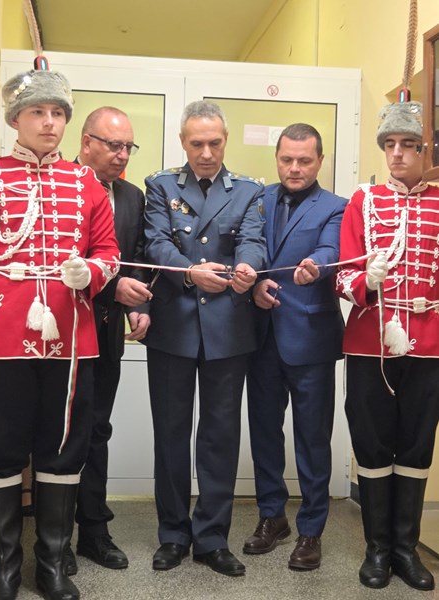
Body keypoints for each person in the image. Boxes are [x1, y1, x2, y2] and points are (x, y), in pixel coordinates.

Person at [0, 67, 120, 600]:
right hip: (0, 337)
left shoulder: (86, 183)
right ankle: (3, 568)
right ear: (15, 119)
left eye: (58, 113)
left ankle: (52, 566)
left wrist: (91, 273)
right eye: (38, 112)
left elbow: (109, 252)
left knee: (63, 449)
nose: (49, 122)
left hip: (70, 338)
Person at [143, 100, 266, 577]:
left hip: (227, 330)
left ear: (226, 141)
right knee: (170, 434)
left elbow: (253, 239)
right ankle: (173, 534)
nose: (207, 153)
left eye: (215, 142)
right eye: (197, 143)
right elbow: (155, 242)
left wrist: (249, 267)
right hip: (173, 326)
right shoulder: (161, 185)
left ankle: (212, 537)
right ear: (183, 142)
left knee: (219, 436)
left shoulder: (249, 190)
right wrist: (189, 271)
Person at [336, 101, 438, 591]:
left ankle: (405, 549)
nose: (397, 154)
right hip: (369, 341)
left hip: (430, 343)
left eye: (407, 145)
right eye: (390, 144)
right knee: (372, 444)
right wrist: (367, 281)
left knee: (417, 445)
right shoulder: (363, 201)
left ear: (424, 149)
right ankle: (376, 549)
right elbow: (342, 276)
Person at [243, 124, 346, 570]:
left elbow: (331, 250)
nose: (295, 168)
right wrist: (253, 285)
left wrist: (316, 266)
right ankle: (272, 517)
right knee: (264, 433)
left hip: (311, 341)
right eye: (287, 159)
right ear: (277, 158)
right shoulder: (257, 198)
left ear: (319, 160)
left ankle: (311, 530)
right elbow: (246, 249)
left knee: (312, 439)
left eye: (305, 160)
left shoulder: (337, 206)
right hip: (261, 337)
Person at [65, 107, 151, 573]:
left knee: (98, 428)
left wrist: (137, 305)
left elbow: (134, 258)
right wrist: (110, 286)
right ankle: (56, 538)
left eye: (127, 147)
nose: (122, 155)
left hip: (107, 332)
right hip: (62, 331)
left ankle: (93, 531)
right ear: (86, 143)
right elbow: (60, 260)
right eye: (113, 145)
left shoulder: (132, 197)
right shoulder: (60, 186)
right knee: (61, 432)